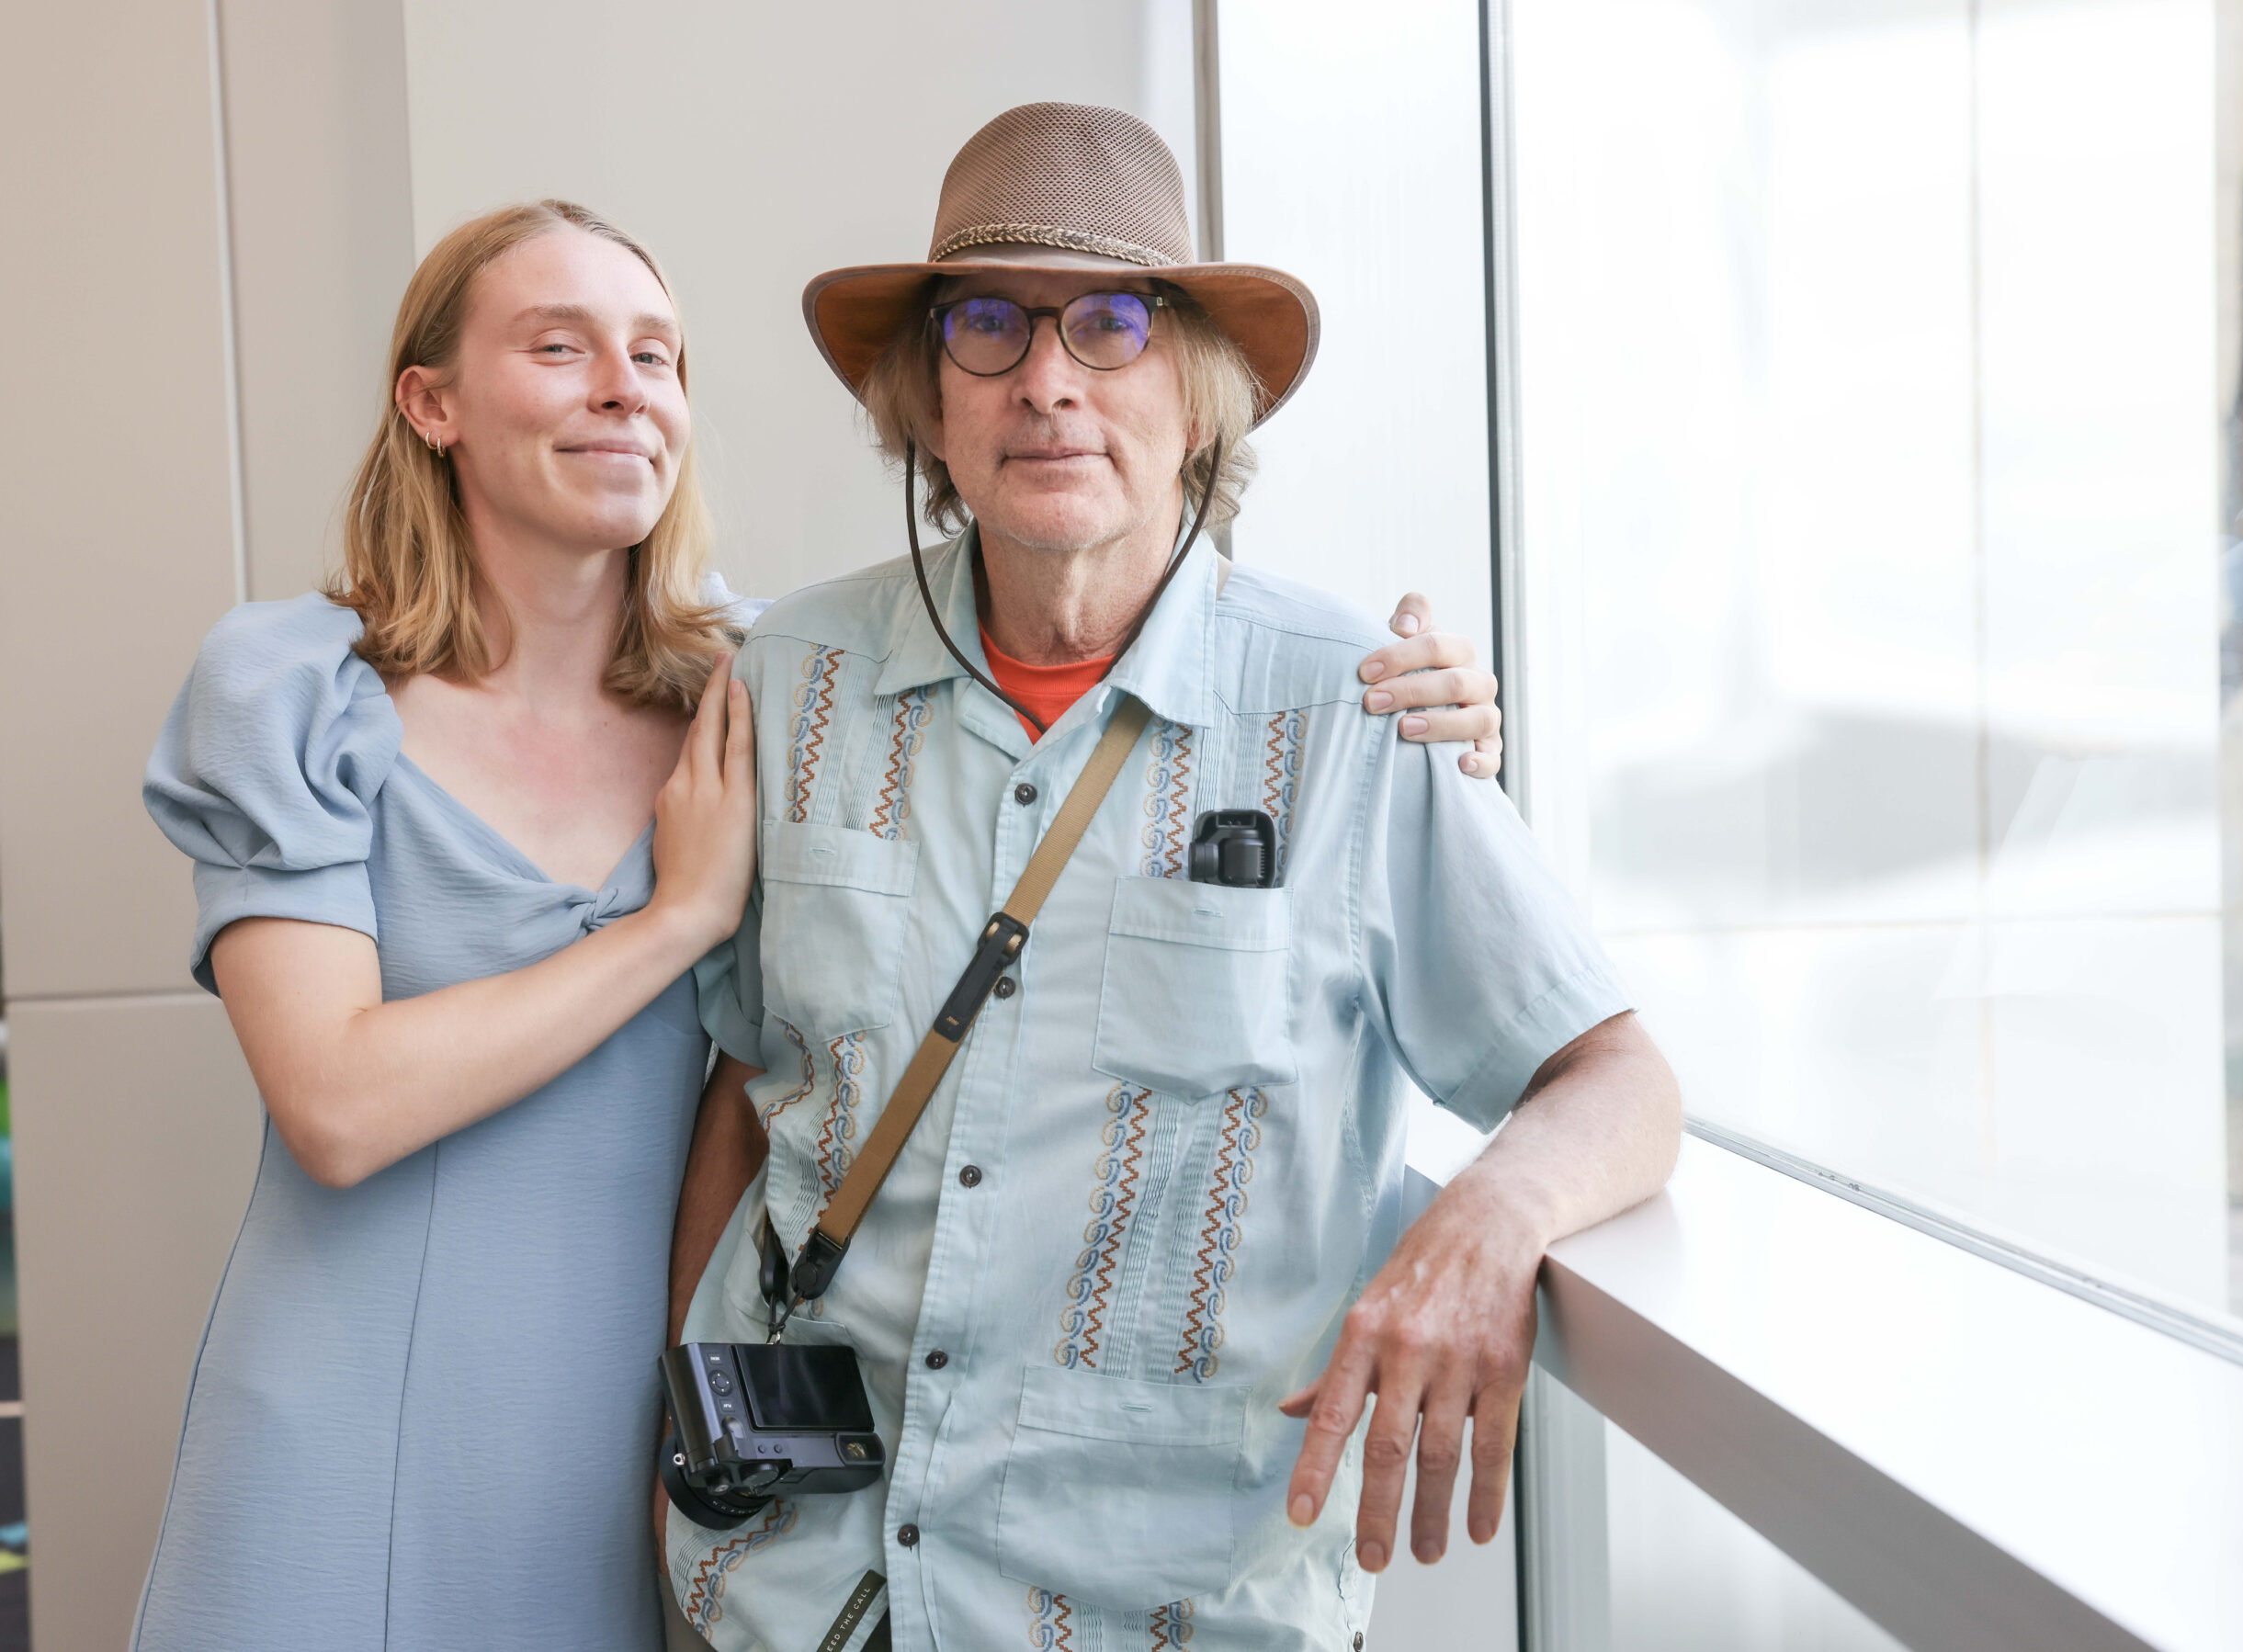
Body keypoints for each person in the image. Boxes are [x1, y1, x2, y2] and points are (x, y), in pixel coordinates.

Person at [135, 197, 1507, 1650]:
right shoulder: (301, 690)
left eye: (655, 355)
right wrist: (672, 922)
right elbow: (336, 1103)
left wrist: (1446, 711)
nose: (622, 388)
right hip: (354, 1411)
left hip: (643, 1438)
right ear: (431, 403)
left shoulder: (763, 688)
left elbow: (1054, 683)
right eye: (559, 346)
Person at [663, 104, 1682, 1652]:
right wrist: (676, 1468)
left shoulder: (1354, 710)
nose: (1047, 381)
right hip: (802, 1597)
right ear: (928, 399)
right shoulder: (789, 678)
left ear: (1197, 396)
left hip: (1172, 1613)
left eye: (1113, 323)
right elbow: (748, 1086)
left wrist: (1488, 1220)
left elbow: (1620, 1080)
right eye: (988, 325)